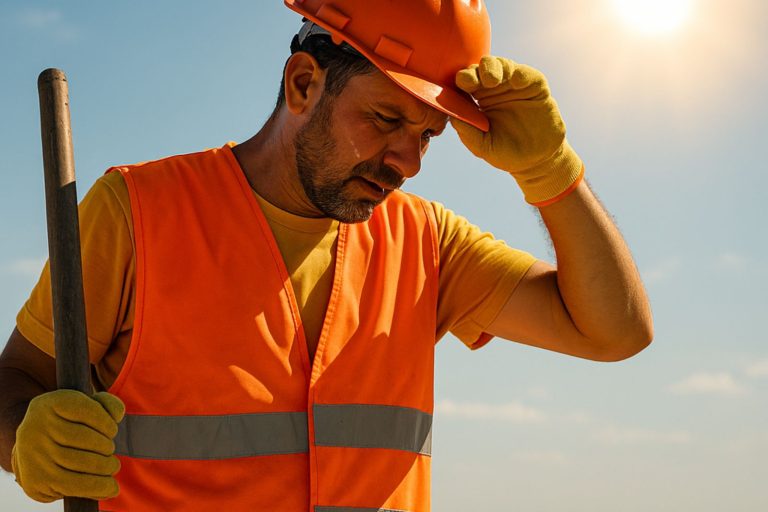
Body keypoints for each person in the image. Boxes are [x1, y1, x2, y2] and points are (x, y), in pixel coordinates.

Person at [0, 0, 653, 510]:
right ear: (304, 83)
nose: (408, 162)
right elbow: (15, 381)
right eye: (386, 120)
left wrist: (550, 172)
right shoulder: (137, 211)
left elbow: (615, 332)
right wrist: (26, 438)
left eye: (429, 135)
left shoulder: (428, 244)